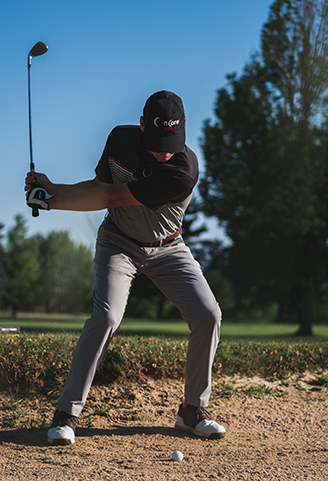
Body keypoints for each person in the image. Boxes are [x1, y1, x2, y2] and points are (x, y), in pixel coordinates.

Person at [25, 90, 225, 445]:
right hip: (119, 243)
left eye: (172, 141)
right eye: (158, 139)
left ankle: (192, 411)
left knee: (208, 314)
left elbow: (110, 198)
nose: (165, 150)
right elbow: (101, 186)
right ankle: (67, 414)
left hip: (168, 249)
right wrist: (52, 188)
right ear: (143, 125)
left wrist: (52, 204)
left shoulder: (183, 170)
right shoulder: (120, 138)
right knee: (105, 318)